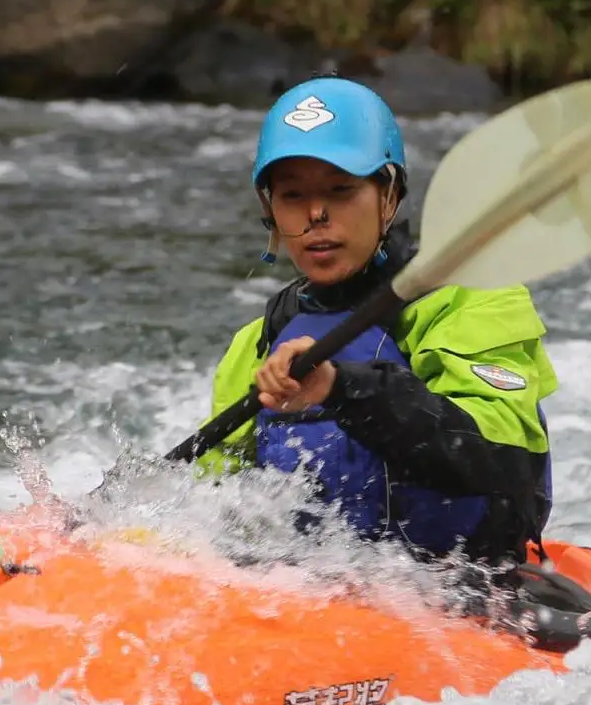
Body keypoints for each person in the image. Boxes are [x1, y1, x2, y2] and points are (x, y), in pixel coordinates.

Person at [198, 77, 557, 566]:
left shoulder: (471, 299)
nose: (316, 214)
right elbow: (207, 498)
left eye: (341, 190)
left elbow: (504, 462)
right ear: (270, 210)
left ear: (389, 195)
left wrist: (347, 389)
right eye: (292, 195)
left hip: (463, 587)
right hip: (312, 591)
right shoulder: (259, 341)